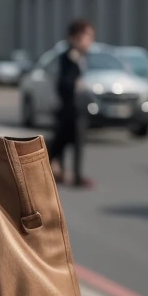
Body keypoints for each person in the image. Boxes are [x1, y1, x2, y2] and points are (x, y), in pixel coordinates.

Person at [49, 18, 95, 188]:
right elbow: (64, 83)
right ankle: (74, 176)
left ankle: (63, 172)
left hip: (73, 108)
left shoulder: (80, 57)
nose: (90, 41)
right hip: (70, 109)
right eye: (87, 37)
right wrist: (75, 86)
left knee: (63, 143)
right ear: (75, 38)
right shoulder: (69, 56)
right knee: (64, 143)